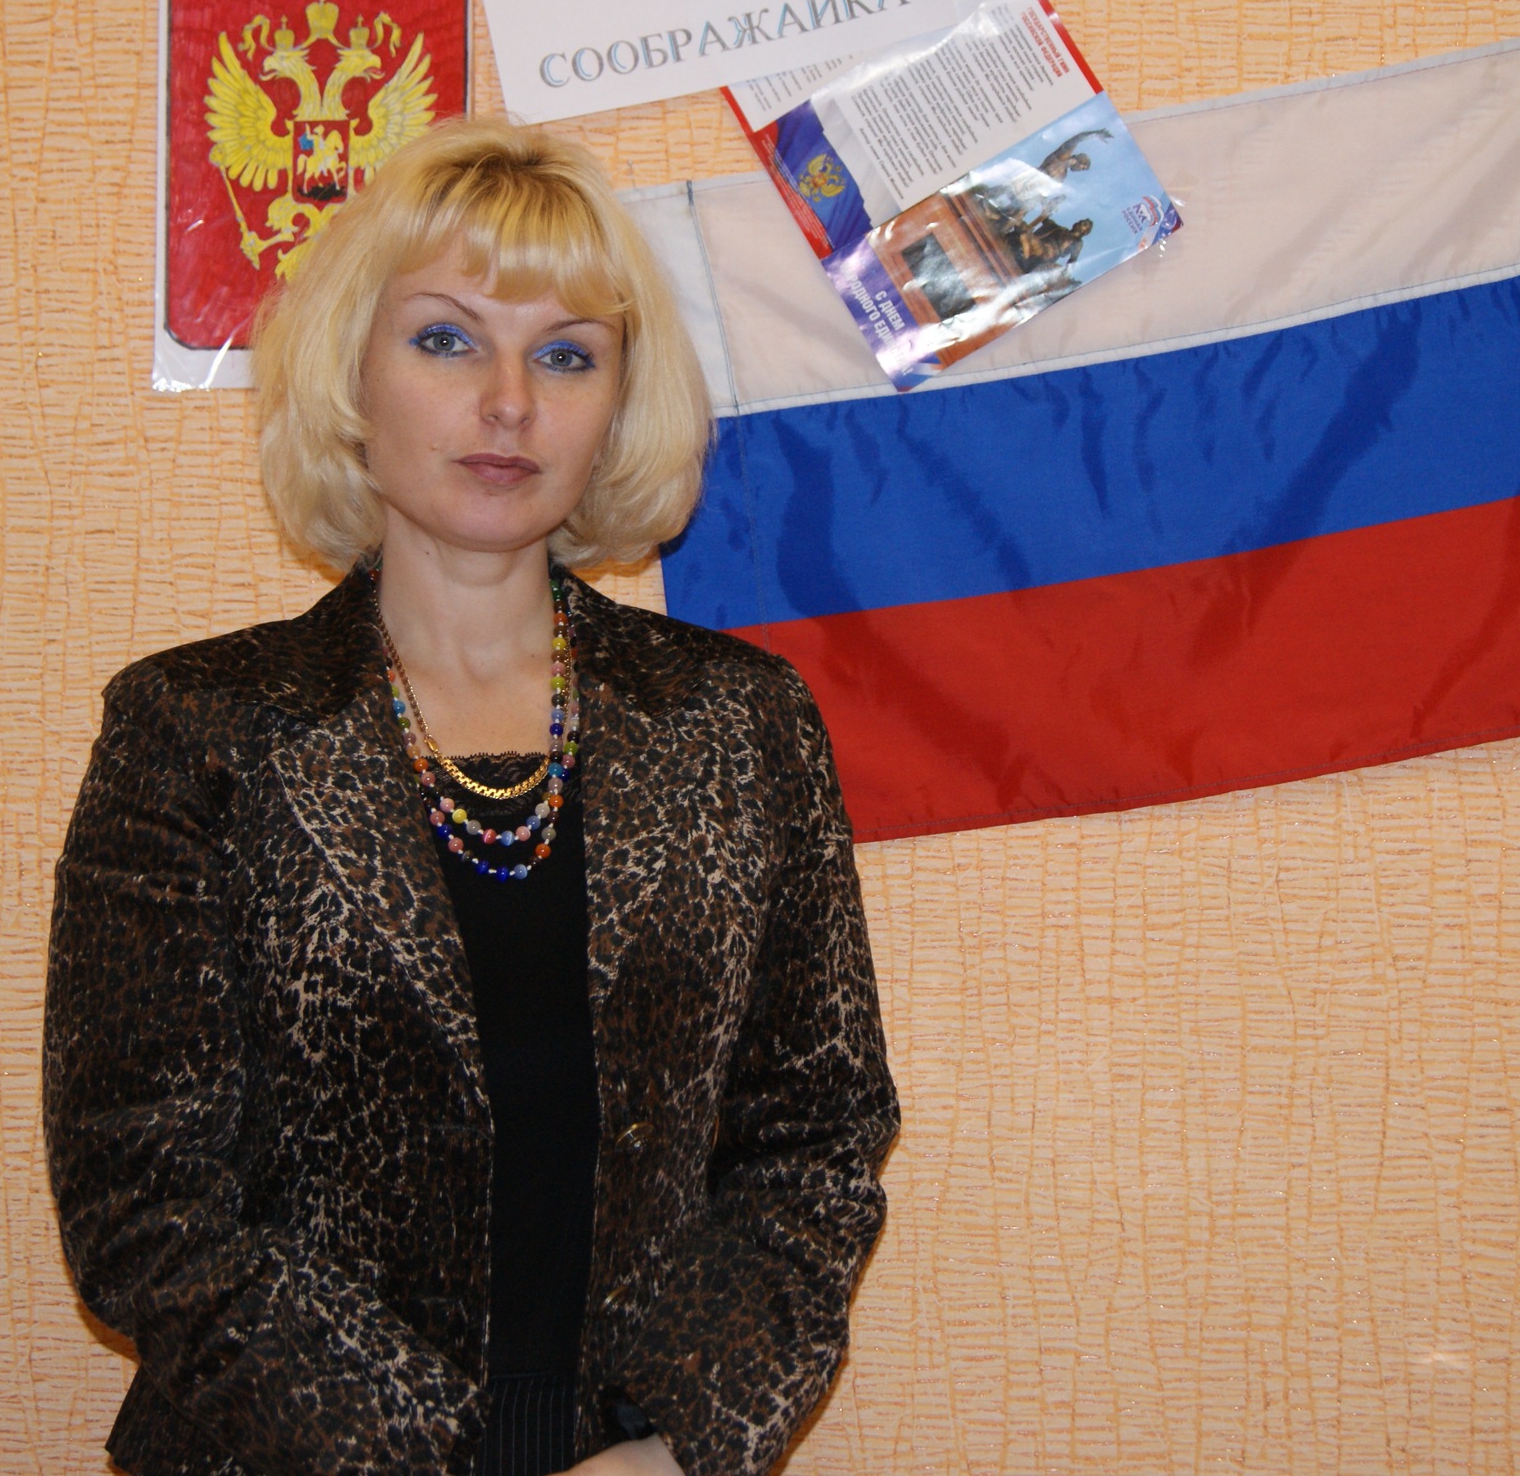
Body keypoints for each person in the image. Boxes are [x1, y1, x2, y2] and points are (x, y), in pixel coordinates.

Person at [44, 119, 899, 1476]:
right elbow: (145, 1203)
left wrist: (681, 1445)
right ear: (351, 376)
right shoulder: (198, 733)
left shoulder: (741, 724)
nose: (509, 402)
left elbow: (817, 1137)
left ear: (618, 405)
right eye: (447, 340)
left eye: (565, 355)